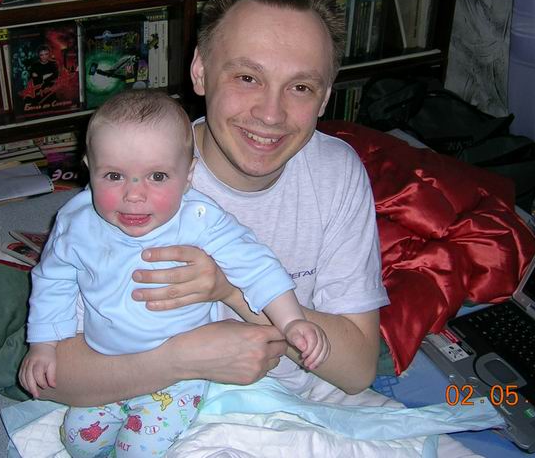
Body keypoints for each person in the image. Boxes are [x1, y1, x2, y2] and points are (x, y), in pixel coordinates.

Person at [41, 0, 477, 456]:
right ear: (200, 71)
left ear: (325, 97)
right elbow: (54, 375)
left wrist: (230, 290)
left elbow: (356, 369)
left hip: (302, 407)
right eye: (247, 77)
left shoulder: (335, 173)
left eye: (300, 87)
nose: (270, 114)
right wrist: (181, 360)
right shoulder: (138, 184)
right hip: (158, 405)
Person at [20, 89, 330, 457]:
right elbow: (53, 281)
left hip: (182, 377)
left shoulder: (199, 219)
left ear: (188, 176)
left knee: (139, 449)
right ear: (90, 168)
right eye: (114, 175)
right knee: (78, 441)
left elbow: (257, 266)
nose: (134, 195)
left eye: (157, 176)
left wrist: (292, 320)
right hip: (107, 365)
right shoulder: (76, 222)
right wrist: (43, 344)